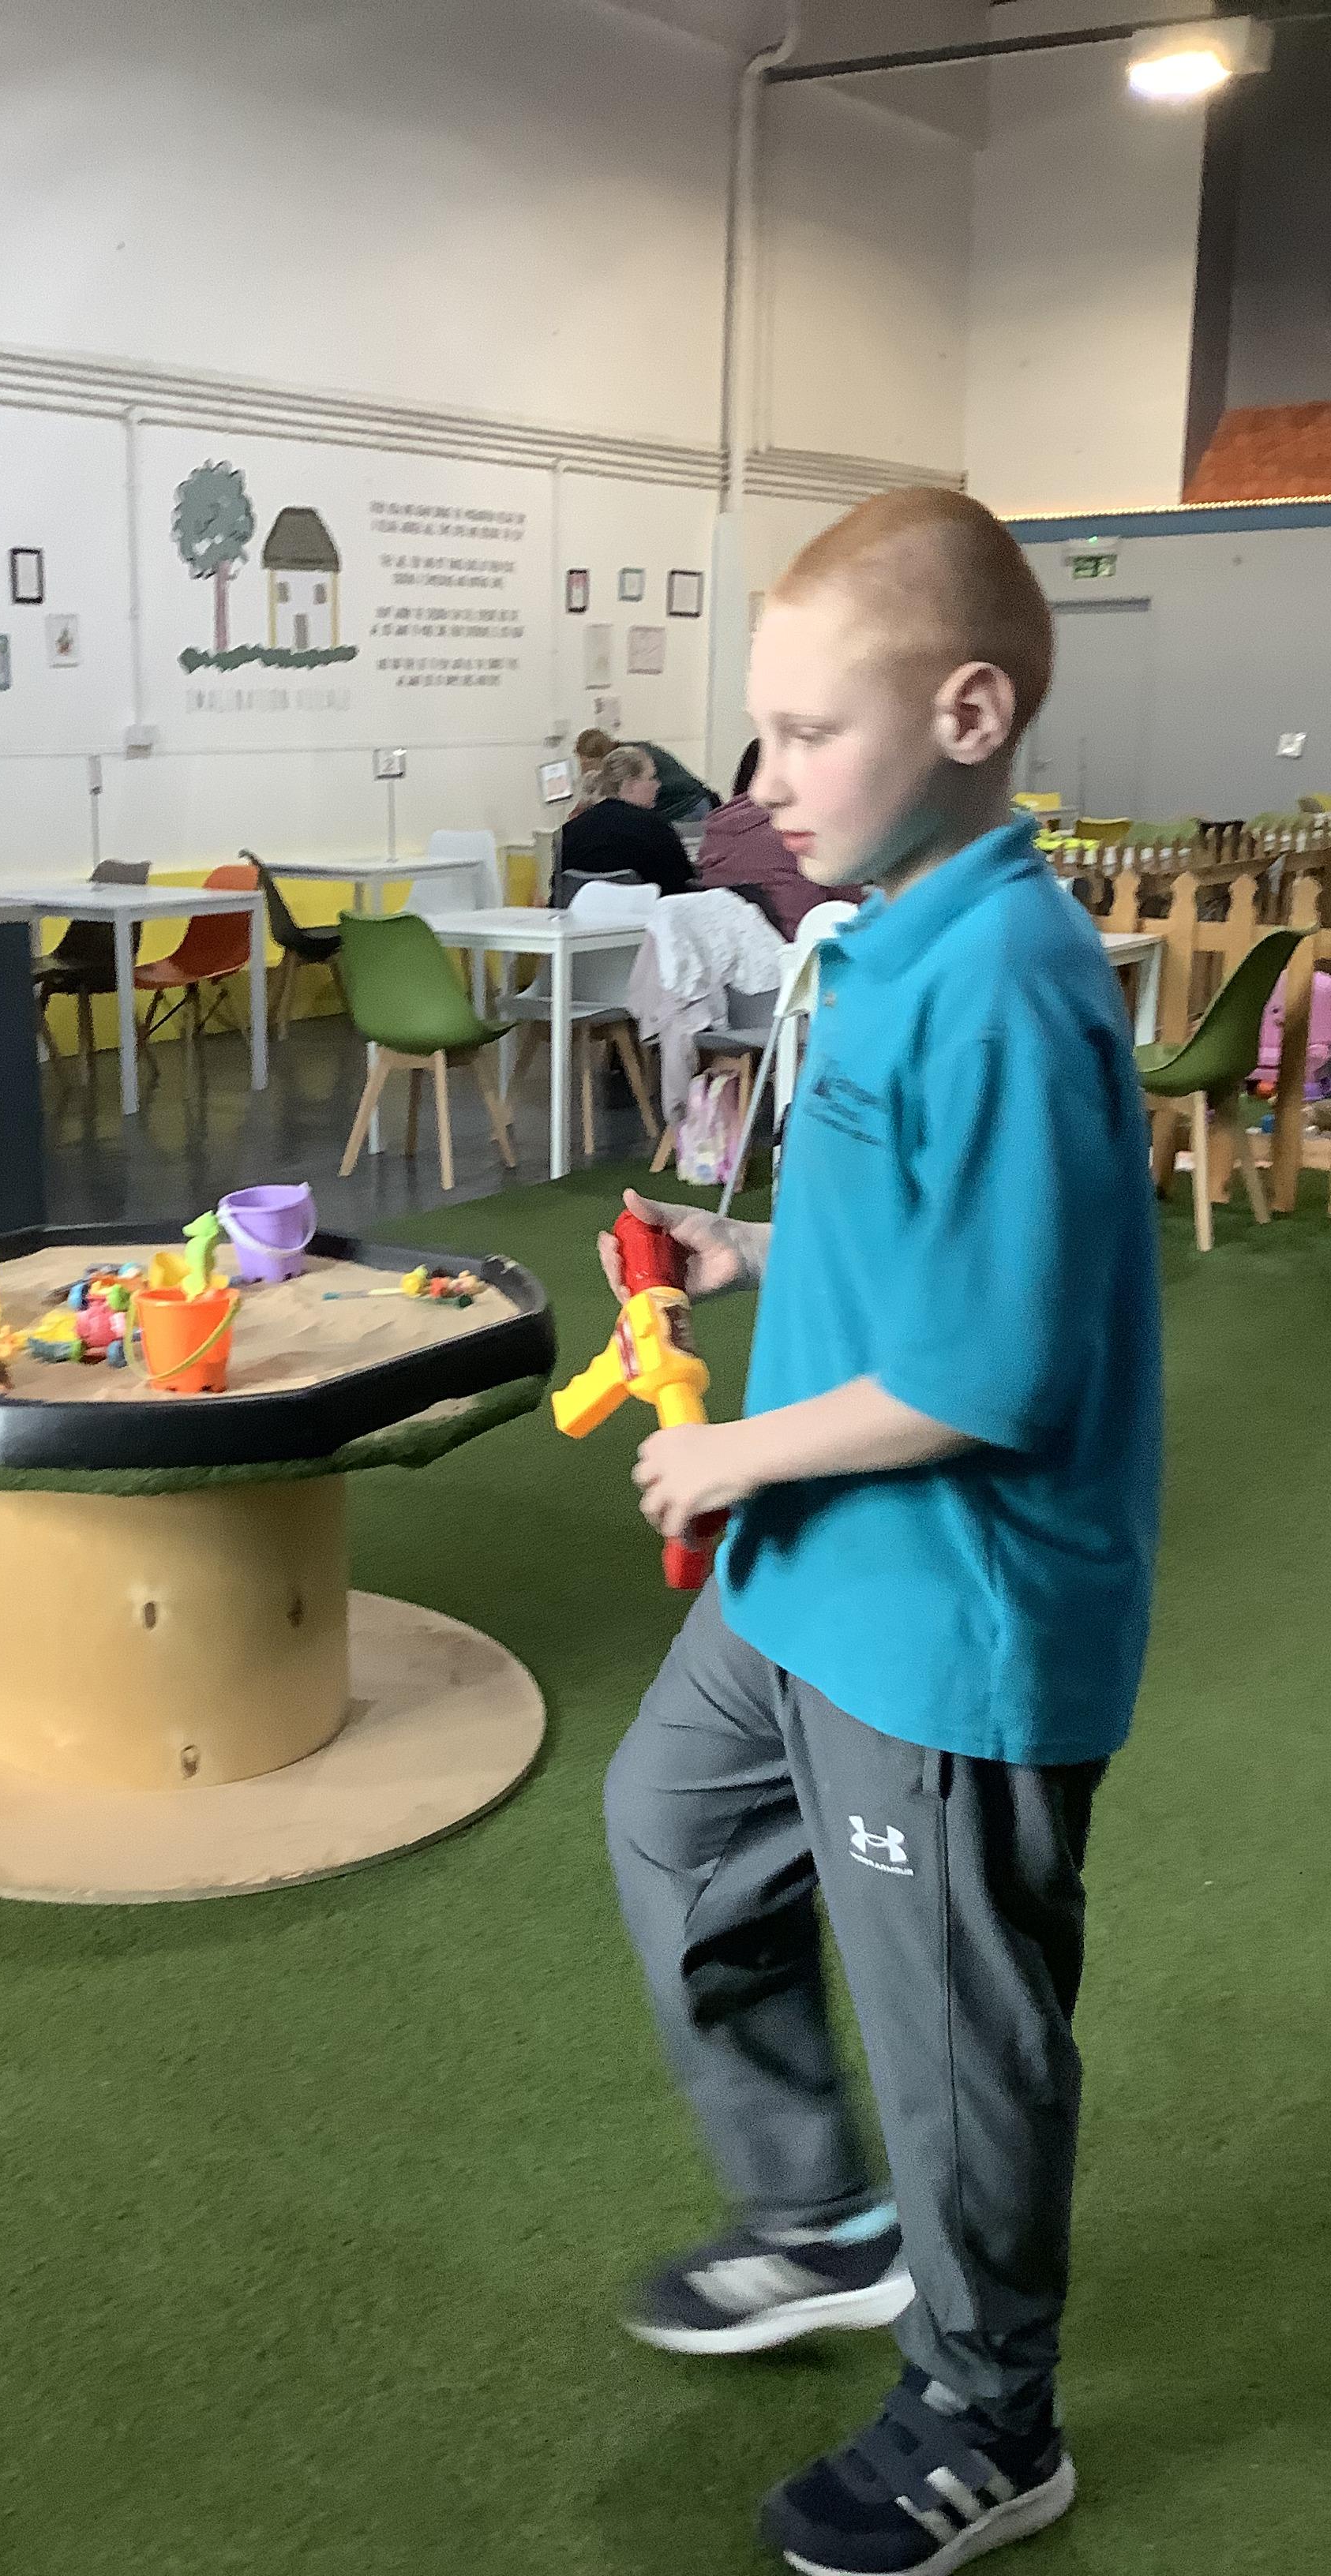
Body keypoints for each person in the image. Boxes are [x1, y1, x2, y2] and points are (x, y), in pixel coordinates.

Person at [598, 487, 1160, 2575]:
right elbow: (910, 1233)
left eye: (809, 733)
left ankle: (990, 2417)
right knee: (673, 1830)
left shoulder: (1004, 972)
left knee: (959, 2044)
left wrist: (732, 1458)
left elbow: (984, 1374)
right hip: (814, 1579)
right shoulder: (885, 925)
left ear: (971, 714)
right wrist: (746, 1255)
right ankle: (824, 2220)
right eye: (757, 729)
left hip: (950, 1618)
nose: (760, 783)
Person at [692, 736, 860, 938]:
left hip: (740, 946)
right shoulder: (800, 832)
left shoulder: (716, 831)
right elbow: (833, 919)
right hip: (804, 944)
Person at [556, 745, 695, 894]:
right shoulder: (656, 829)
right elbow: (679, 886)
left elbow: (557, 889)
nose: (658, 784)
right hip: (641, 909)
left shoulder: (569, 832)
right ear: (630, 785)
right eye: (652, 778)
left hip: (581, 908)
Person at [572, 725, 717, 833]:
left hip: (685, 808)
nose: (585, 771)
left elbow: (621, 800)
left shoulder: (629, 761)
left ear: (600, 757)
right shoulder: (629, 751)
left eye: (587, 764)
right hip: (689, 803)